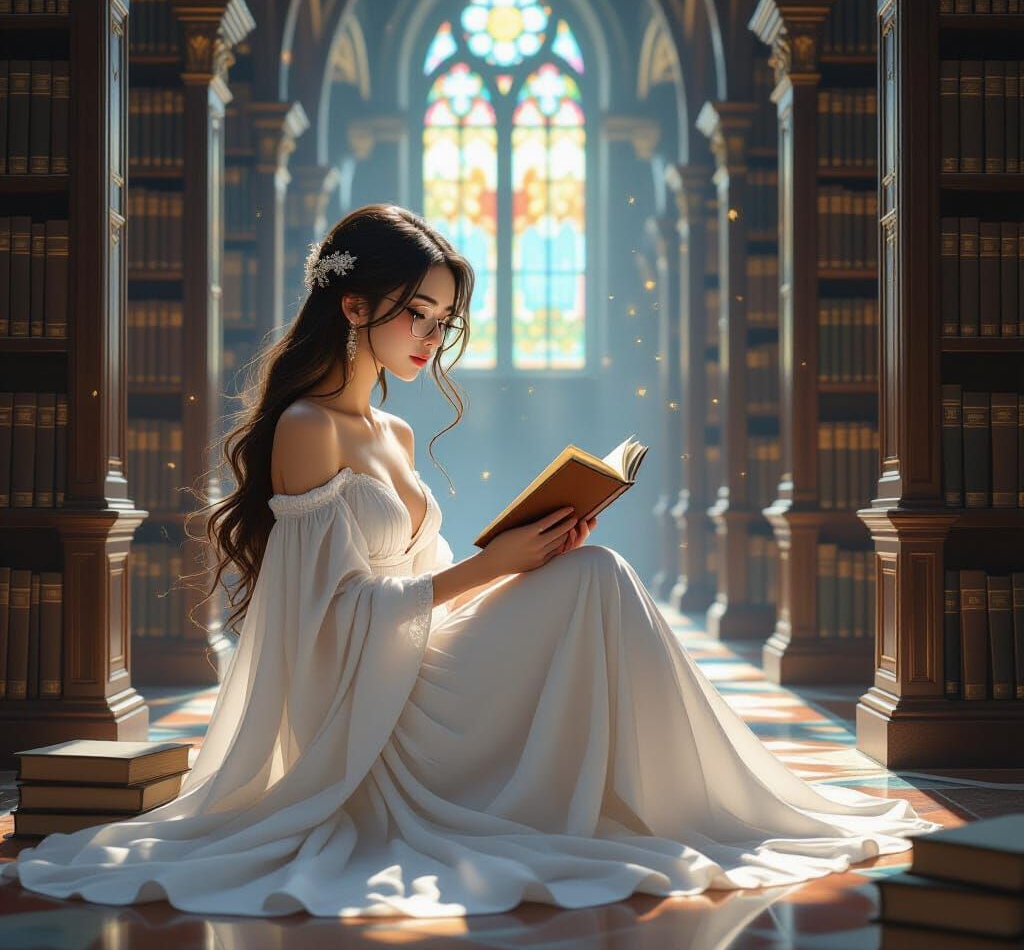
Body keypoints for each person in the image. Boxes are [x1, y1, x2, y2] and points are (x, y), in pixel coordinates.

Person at [1, 203, 940, 918]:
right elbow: (326, 628)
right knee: (598, 583)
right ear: (353, 303)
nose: (431, 338)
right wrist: (499, 568)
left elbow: (424, 583)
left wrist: (523, 551)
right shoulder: (305, 430)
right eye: (418, 313)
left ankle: (690, 803)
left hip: (421, 658)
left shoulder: (396, 432)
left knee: (590, 576)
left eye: (444, 321)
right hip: (368, 712)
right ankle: (665, 802)